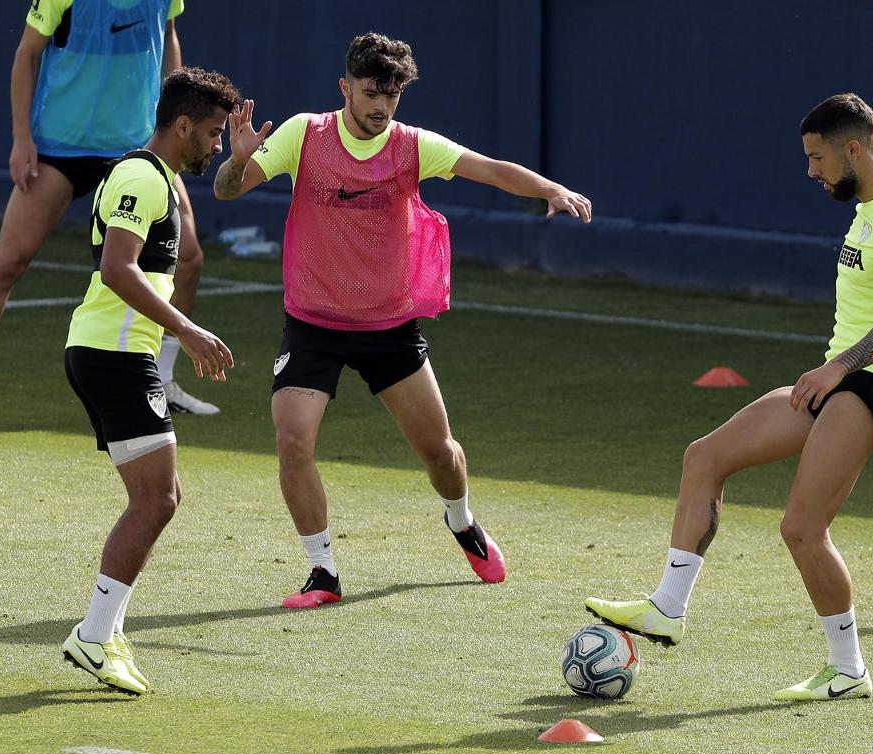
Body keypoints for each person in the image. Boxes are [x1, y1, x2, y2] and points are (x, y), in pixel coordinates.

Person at [213, 32, 593, 609]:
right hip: (313, 323)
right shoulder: (303, 135)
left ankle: (462, 521)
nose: (381, 108)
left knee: (441, 452)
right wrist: (237, 162)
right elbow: (226, 193)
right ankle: (323, 571)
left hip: (389, 328)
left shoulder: (412, 146)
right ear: (345, 87)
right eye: (371, 93)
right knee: (292, 439)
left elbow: (488, 169)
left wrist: (549, 187)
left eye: (391, 97)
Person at [586, 93, 873, 701]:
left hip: (872, 387)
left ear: (852, 148)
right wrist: (832, 373)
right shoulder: (867, 207)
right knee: (704, 457)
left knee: (802, 528)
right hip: (837, 380)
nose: (811, 171)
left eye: (817, 157)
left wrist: (837, 370)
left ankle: (848, 668)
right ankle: (667, 607)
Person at [0, 0, 221, 420]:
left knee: (188, 260)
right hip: (59, 147)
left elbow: (168, 37)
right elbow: (27, 53)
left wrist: (169, 126)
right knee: (10, 260)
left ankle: (163, 380)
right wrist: (21, 136)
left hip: (135, 147)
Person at [60, 67, 237, 694]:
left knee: (157, 496)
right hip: (112, 354)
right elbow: (117, 269)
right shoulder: (141, 176)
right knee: (157, 498)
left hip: (112, 353)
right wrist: (186, 332)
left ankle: (101, 632)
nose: (216, 143)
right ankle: (93, 634)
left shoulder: (156, 177)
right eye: (212, 132)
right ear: (181, 125)